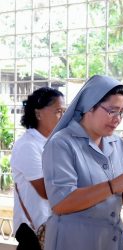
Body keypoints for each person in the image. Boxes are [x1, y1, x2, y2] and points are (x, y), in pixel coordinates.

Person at [42, 75, 123, 250]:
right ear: (89, 107)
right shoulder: (61, 143)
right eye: (112, 110)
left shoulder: (118, 144)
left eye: (122, 112)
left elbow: (122, 199)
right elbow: (61, 203)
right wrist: (112, 185)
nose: (118, 118)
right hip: (74, 241)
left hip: (110, 241)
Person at [11, 87, 65, 249]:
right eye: (58, 111)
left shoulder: (55, 143)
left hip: (55, 226)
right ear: (38, 113)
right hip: (34, 231)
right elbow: (47, 191)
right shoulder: (28, 146)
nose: (63, 116)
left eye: (64, 111)